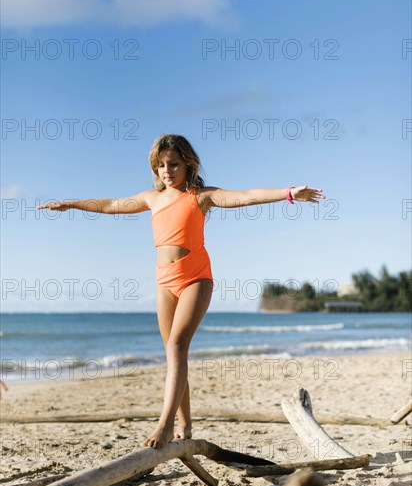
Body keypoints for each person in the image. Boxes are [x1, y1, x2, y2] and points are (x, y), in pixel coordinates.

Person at [36, 133, 325, 449]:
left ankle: (164, 424)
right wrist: (72, 204)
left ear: (188, 163)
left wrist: (288, 193)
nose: (166, 171)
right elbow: (112, 205)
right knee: (174, 353)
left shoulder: (200, 196)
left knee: (176, 346)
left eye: (172, 164)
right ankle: (185, 425)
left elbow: (247, 195)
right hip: (164, 281)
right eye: (160, 166)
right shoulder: (152, 198)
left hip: (196, 279)